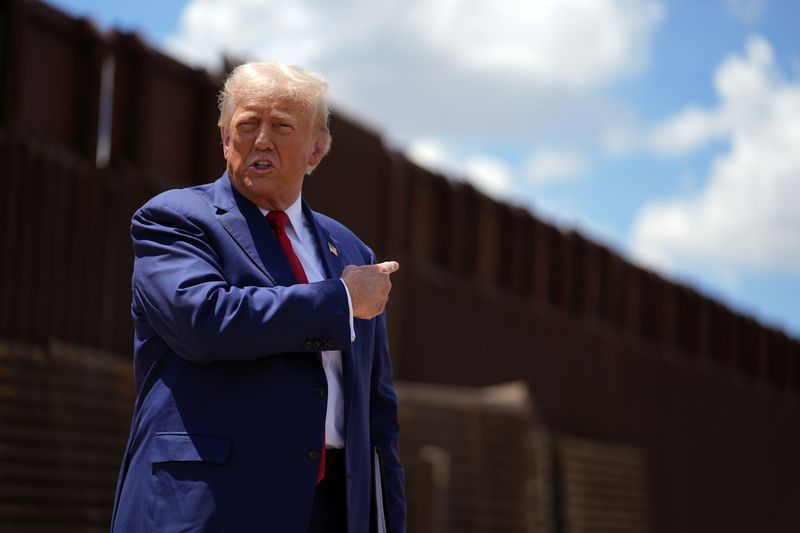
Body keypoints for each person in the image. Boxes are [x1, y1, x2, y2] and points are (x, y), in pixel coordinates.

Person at [110, 61, 405, 533]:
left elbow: (377, 414)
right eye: (247, 125)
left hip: (330, 509)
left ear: (317, 150)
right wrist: (339, 301)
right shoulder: (174, 219)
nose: (261, 140)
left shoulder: (351, 251)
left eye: (282, 126)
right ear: (225, 139)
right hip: (209, 505)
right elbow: (204, 321)